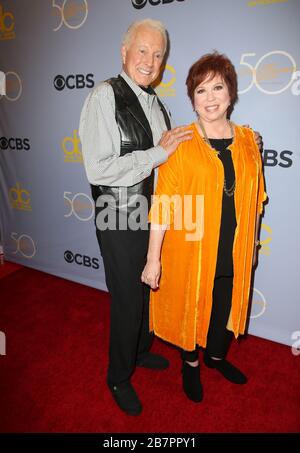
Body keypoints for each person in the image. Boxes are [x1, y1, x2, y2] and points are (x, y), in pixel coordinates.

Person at [79, 18, 194, 416]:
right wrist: (156, 155)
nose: (150, 60)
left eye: (158, 54)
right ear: (124, 52)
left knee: (146, 288)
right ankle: (118, 375)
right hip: (118, 213)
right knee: (128, 297)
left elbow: (172, 154)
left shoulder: (154, 102)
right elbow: (99, 169)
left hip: (149, 213)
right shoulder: (104, 96)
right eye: (143, 50)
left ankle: (141, 349)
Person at [142, 51, 267, 403]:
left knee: (224, 305)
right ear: (191, 98)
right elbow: (162, 203)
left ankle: (215, 356)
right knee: (191, 306)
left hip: (233, 247)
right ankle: (191, 363)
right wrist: (154, 259)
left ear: (231, 93)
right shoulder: (179, 142)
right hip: (191, 248)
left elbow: (256, 198)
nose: (210, 97)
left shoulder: (248, 141)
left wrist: (253, 244)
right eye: (201, 90)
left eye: (218, 87)